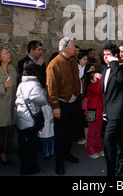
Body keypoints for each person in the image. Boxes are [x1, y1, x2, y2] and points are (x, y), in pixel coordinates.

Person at [46, 36, 81, 175]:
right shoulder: (54, 64)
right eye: (73, 46)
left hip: (73, 102)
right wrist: (55, 107)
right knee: (60, 134)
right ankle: (59, 162)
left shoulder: (72, 61)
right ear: (67, 48)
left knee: (70, 132)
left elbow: (76, 79)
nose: (75, 48)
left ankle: (67, 154)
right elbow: (51, 88)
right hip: (61, 103)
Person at [101, 43, 123, 176]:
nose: (105, 57)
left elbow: (121, 79)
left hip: (119, 113)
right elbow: (106, 93)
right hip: (109, 112)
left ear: (115, 56)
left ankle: (110, 171)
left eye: (108, 54)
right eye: (103, 54)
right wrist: (105, 111)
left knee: (108, 141)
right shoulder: (104, 70)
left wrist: (115, 63)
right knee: (121, 142)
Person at [15, 61, 47, 175]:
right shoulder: (34, 84)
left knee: (23, 143)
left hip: (22, 116)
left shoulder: (21, 83)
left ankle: (26, 164)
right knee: (30, 145)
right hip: (31, 118)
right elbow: (41, 100)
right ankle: (27, 167)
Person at [83, 71, 104, 159]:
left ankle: (98, 148)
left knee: (98, 132)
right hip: (91, 111)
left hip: (99, 111)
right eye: (96, 77)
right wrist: (100, 79)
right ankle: (90, 150)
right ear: (91, 80)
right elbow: (98, 90)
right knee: (91, 133)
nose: (98, 78)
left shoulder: (98, 85)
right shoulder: (91, 87)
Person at [75, 52, 88, 145]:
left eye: (86, 59)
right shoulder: (77, 68)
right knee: (79, 116)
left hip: (86, 95)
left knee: (86, 116)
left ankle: (87, 136)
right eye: (84, 59)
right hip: (79, 94)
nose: (86, 61)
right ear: (79, 60)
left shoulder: (87, 68)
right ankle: (80, 136)